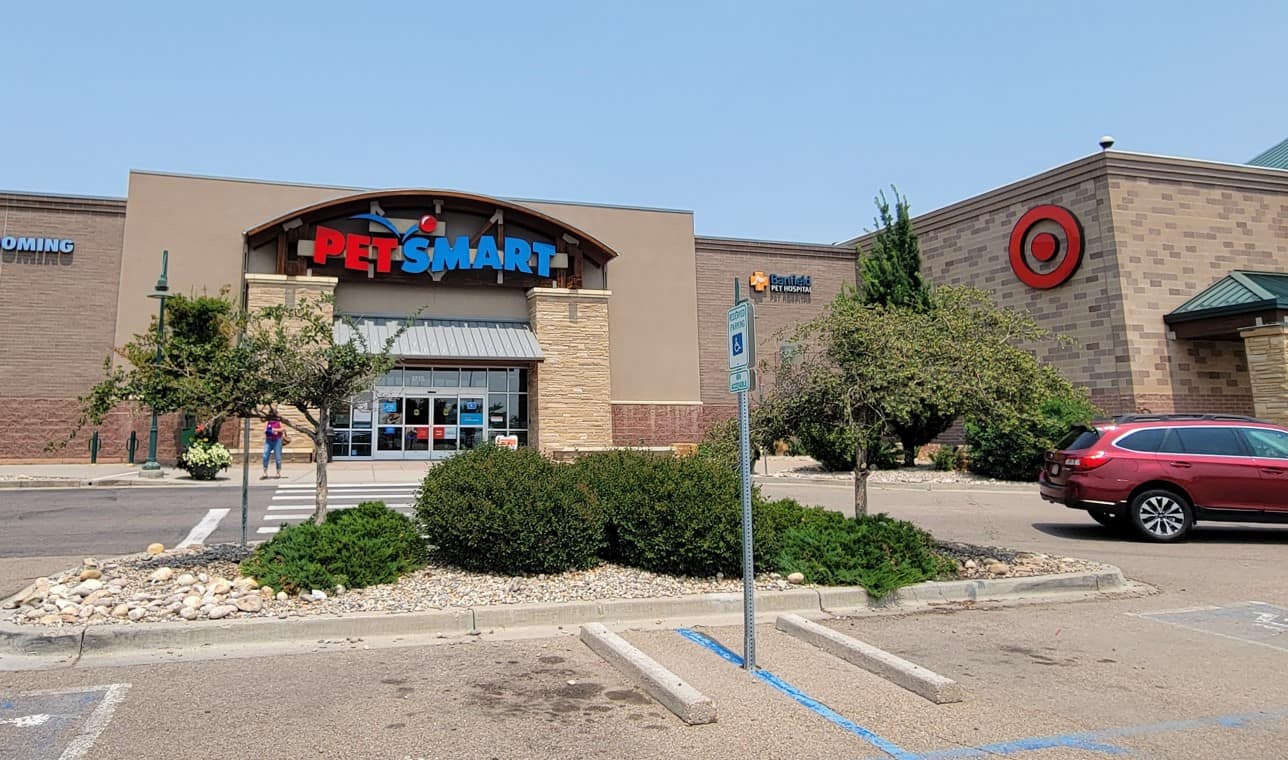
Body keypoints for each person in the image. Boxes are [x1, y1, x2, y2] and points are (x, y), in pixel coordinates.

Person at [262, 410, 289, 479]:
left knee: (278, 457)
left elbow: (283, 429)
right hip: (268, 440)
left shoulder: (278, 422)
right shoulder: (267, 422)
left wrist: (274, 430)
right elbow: (265, 430)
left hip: (277, 440)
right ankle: (265, 472)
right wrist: (268, 431)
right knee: (265, 455)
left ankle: (278, 472)